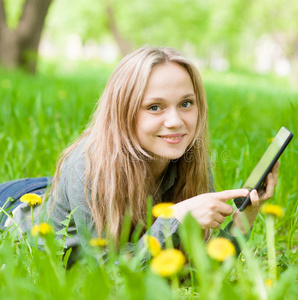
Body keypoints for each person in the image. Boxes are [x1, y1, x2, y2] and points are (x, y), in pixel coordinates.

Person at [0, 46, 279, 262]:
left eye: (186, 103)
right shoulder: (88, 167)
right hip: (13, 207)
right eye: (154, 107)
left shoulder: (188, 156)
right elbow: (103, 275)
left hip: (61, 191)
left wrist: (245, 218)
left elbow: (200, 272)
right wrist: (175, 219)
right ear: (124, 112)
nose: (175, 121)